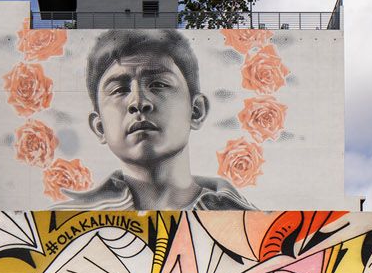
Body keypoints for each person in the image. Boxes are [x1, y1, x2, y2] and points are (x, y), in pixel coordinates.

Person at [64, 30, 254, 210]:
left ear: (196, 111)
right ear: (99, 127)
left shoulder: (251, 218)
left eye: (158, 84)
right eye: (119, 90)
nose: (138, 102)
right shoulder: (64, 220)